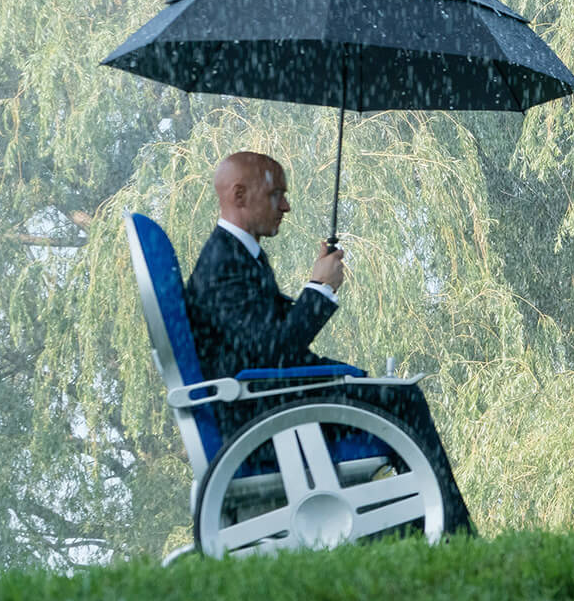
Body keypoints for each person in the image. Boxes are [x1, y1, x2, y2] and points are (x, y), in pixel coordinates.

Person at [183, 151, 475, 533]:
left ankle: (425, 525)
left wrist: (317, 291)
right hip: (262, 417)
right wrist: (318, 288)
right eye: (276, 195)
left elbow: (266, 342)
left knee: (388, 392)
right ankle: (450, 531)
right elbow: (272, 355)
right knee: (403, 399)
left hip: (265, 403)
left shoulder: (238, 257)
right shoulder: (224, 265)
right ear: (239, 195)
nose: (286, 206)